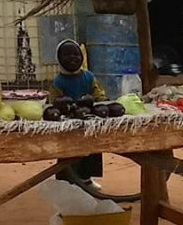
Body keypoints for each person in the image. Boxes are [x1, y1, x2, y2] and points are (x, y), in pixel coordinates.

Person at [47, 40, 133, 202]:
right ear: (59, 59)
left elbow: (98, 93)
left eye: (76, 54)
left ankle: (86, 179)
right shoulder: (58, 82)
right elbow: (54, 100)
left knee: (92, 149)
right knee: (69, 152)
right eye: (67, 55)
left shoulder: (88, 77)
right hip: (68, 123)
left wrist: (99, 101)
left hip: (90, 119)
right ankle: (67, 183)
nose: (72, 58)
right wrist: (64, 104)